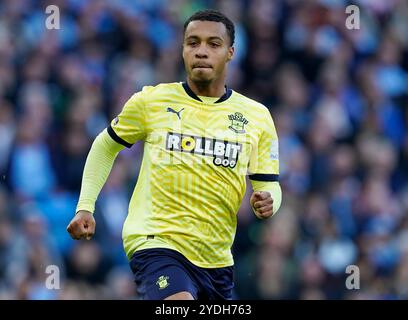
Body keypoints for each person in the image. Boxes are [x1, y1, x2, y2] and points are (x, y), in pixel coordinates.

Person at [67, 9, 282, 300]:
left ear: (230, 52)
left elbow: (268, 183)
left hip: (217, 258)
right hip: (157, 242)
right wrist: (85, 206)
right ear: (182, 50)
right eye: (193, 42)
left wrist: (269, 201)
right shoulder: (152, 101)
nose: (202, 51)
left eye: (213, 44)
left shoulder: (256, 116)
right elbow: (105, 145)